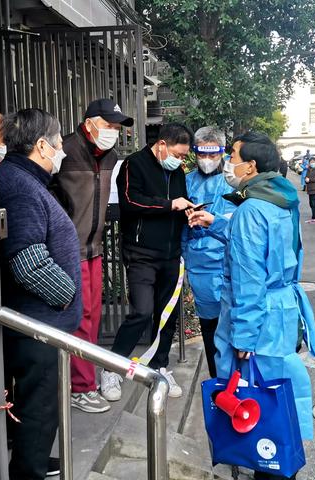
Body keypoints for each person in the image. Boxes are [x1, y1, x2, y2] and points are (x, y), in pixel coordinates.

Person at [188, 132, 315, 480]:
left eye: (233, 156)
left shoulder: (250, 209)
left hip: (256, 315)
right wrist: (218, 223)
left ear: (251, 166)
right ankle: (279, 460)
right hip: (280, 309)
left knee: (254, 396)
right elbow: (268, 250)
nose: (230, 163)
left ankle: (266, 464)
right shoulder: (281, 200)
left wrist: (243, 336)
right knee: (277, 388)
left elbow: (248, 280)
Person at [0, 109, 82, 480]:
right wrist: (66, 294)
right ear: (42, 145)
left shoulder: (21, 179)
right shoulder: (19, 185)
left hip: (37, 319)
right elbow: (27, 260)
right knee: (39, 405)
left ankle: (31, 459)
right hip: (37, 323)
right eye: (60, 144)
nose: (62, 151)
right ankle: (28, 470)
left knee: (31, 404)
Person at [100, 123, 195, 400]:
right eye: (179, 153)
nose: (181, 160)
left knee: (166, 314)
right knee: (141, 311)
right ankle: (112, 368)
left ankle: (160, 365)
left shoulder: (177, 171)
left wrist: (188, 211)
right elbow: (130, 202)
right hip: (141, 253)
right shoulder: (134, 164)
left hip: (170, 253)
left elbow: (180, 201)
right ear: (163, 144)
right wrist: (170, 205)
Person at [53, 98, 133, 413]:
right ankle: (80, 387)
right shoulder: (66, 150)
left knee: (94, 317)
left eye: (117, 126)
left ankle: (84, 379)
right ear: (90, 123)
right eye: (110, 124)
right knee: (79, 317)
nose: (114, 131)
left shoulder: (111, 156)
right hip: (68, 249)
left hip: (95, 248)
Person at [183, 126, 235, 377]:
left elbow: (241, 225)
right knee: (209, 328)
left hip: (229, 264)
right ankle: (217, 382)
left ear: (222, 152)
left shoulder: (234, 181)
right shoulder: (187, 181)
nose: (206, 160)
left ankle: (236, 383)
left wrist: (215, 221)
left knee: (234, 328)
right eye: (201, 154)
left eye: (212, 155)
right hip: (199, 265)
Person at [304, 158, 315, 224]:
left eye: (313, 162)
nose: (312, 163)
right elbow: (306, 177)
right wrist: (306, 180)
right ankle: (313, 217)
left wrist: (310, 180)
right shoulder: (309, 169)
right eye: (311, 162)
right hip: (310, 189)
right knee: (311, 203)